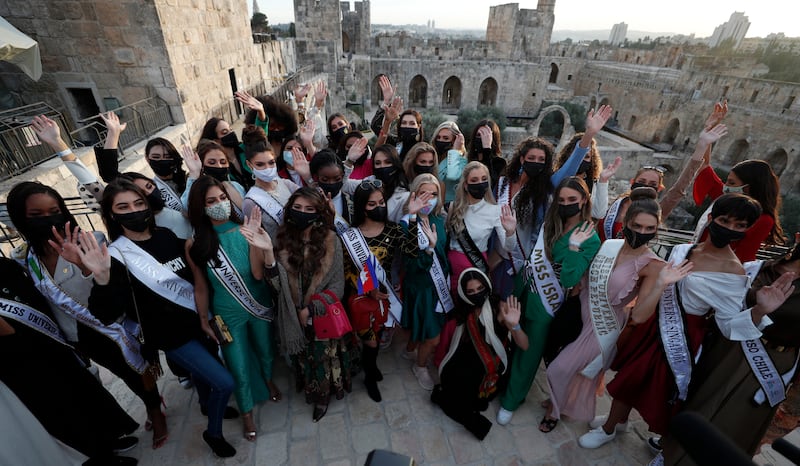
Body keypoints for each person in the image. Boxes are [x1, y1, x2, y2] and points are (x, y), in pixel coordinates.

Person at [580, 194, 768, 451]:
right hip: (653, 323)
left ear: (747, 230)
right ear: (712, 219)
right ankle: (616, 423)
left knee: (654, 386)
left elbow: (728, 325)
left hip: (683, 335)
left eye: (740, 225)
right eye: (725, 220)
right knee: (630, 375)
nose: (730, 229)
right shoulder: (684, 249)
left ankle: (619, 430)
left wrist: (759, 312)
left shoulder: (733, 272)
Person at [79, 179, 237, 458]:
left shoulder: (165, 235)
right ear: (112, 214)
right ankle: (212, 433)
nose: (135, 211)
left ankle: (206, 403)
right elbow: (104, 313)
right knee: (224, 382)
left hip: (198, 320)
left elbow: (195, 269)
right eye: (124, 207)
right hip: (170, 337)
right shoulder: (114, 256)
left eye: (139, 203)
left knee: (205, 377)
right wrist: (102, 278)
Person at [7, 181, 168, 449]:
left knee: (136, 371)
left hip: (110, 325)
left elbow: (110, 285)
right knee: (120, 374)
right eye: (36, 215)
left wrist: (82, 263)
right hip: (75, 332)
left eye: (54, 211)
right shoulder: (23, 258)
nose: (48, 219)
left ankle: (155, 411)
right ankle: (149, 403)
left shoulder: (91, 240)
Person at [543, 188, 680, 430]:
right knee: (571, 368)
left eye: (650, 229)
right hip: (579, 313)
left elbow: (638, 315)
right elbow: (584, 275)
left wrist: (660, 285)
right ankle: (560, 400)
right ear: (626, 222)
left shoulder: (653, 264)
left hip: (602, 325)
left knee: (558, 369)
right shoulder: (610, 245)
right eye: (637, 226)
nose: (642, 232)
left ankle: (554, 412)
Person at [661, 250, 797, 465]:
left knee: (738, 421)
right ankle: (669, 453)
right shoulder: (758, 267)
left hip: (776, 361)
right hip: (730, 347)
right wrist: (759, 309)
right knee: (700, 402)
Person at [0, 257, 139, 466]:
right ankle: (99, 458)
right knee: (62, 407)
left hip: (49, 341)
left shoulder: (7, 266)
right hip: (19, 359)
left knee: (82, 390)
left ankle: (108, 439)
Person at [243, 187, 355, 423]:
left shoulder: (331, 240)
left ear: (318, 212)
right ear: (289, 210)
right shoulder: (280, 240)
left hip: (320, 315)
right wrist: (269, 257)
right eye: (298, 208)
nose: (302, 213)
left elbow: (337, 287)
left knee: (323, 358)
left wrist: (311, 309)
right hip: (291, 315)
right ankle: (307, 386)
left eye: (309, 209)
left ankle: (323, 398)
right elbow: (275, 287)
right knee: (302, 357)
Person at [497, 176, 601, 428]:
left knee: (529, 352)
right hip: (523, 286)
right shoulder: (551, 223)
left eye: (572, 200)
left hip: (547, 301)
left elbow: (569, 278)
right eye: (562, 199)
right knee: (505, 334)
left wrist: (574, 249)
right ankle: (499, 380)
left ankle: (511, 399)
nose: (566, 204)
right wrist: (510, 231)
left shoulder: (589, 236)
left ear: (584, 200)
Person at [187, 176, 280, 442]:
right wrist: (203, 318)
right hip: (226, 312)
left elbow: (257, 275)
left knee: (265, 351)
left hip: (257, 302)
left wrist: (253, 241)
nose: (220, 204)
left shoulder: (243, 230)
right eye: (211, 201)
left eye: (223, 198)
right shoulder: (195, 244)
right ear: (200, 207)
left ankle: (267, 379)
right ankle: (247, 413)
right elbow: (201, 287)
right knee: (237, 365)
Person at [493, 105, 614, 299]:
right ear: (522, 159)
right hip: (497, 257)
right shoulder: (502, 183)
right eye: (532, 158)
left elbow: (572, 164)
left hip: (525, 262)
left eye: (542, 159)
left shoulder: (547, 186)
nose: (537, 162)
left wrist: (589, 134)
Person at [28, 114, 193, 239]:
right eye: (141, 193)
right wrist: (58, 144)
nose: (149, 193)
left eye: (149, 187)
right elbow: (91, 179)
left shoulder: (183, 184)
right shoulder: (136, 218)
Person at [599, 114, 731, 242]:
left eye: (652, 183)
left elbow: (681, 186)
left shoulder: (659, 209)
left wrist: (702, 144)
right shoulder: (617, 203)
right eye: (642, 182)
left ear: (659, 188)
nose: (646, 186)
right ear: (633, 182)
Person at [431, 268, 529, 440]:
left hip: (490, 367)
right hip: (464, 366)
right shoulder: (463, 311)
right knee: (454, 399)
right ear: (464, 294)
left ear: (487, 286)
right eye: (471, 291)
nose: (476, 294)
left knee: (478, 400)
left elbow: (524, 345)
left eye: (480, 289)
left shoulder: (501, 308)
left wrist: (515, 326)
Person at [342, 180, 407, 402]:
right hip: (362, 297)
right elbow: (347, 270)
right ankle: (369, 376)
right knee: (369, 340)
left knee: (377, 336)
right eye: (372, 204)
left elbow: (414, 252)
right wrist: (368, 288)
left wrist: (416, 217)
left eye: (381, 202)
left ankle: (371, 367)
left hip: (385, 296)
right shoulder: (351, 236)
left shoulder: (393, 229)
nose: (378, 207)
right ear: (361, 206)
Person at [399, 174, 450, 390]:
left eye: (434, 194)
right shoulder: (405, 225)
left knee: (424, 326)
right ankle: (420, 366)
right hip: (420, 288)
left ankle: (410, 350)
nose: (429, 200)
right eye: (423, 194)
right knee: (433, 338)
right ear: (414, 195)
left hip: (438, 286)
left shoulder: (440, 219)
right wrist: (429, 249)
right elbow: (410, 266)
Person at [692, 158, 785, 262]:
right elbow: (704, 166)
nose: (726, 186)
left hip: (716, 268)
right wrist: (705, 143)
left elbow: (744, 255)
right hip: (693, 255)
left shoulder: (763, 219)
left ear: (747, 188)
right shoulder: (725, 198)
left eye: (732, 183)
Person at [444, 161, 517, 291]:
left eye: (484, 179)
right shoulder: (451, 208)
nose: (480, 183)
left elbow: (508, 247)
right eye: (474, 180)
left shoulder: (496, 211)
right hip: (451, 267)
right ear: (466, 185)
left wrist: (510, 232)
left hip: (476, 266)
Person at [238, 125, 310, 240]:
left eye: (271, 162)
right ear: (249, 165)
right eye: (260, 164)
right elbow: (256, 238)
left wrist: (307, 176)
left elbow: (313, 200)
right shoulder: (251, 201)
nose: (267, 168)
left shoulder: (286, 184)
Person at [553, 132, 622, 219]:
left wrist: (603, 181)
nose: (581, 160)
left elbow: (599, 214)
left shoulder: (592, 184)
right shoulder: (557, 178)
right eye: (579, 156)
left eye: (586, 157)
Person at [343, 143, 410, 224]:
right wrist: (350, 161)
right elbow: (344, 185)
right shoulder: (369, 182)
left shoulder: (404, 195)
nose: (382, 166)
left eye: (388, 162)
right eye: (378, 163)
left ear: (395, 164)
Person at [182, 139, 247, 218]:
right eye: (212, 162)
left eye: (223, 162)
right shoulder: (199, 190)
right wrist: (194, 173)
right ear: (202, 166)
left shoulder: (236, 186)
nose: (219, 166)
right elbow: (186, 208)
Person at [310, 149, 352, 227]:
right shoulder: (307, 202)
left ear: (342, 176)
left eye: (337, 179)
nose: (331, 183)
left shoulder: (352, 203)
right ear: (316, 177)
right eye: (325, 180)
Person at [431, 120, 467, 203]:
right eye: (438, 137)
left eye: (446, 138)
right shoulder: (432, 158)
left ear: (455, 140)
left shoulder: (462, 160)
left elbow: (452, 176)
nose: (441, 140)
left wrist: (455, 151)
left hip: (450, 207)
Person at [467, 119, 505, 191]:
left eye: (485, 136)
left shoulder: (499, 163)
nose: (482, 139)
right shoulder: (467, 160)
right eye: (479, 135)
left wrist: (487, 150)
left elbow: (491, 183)